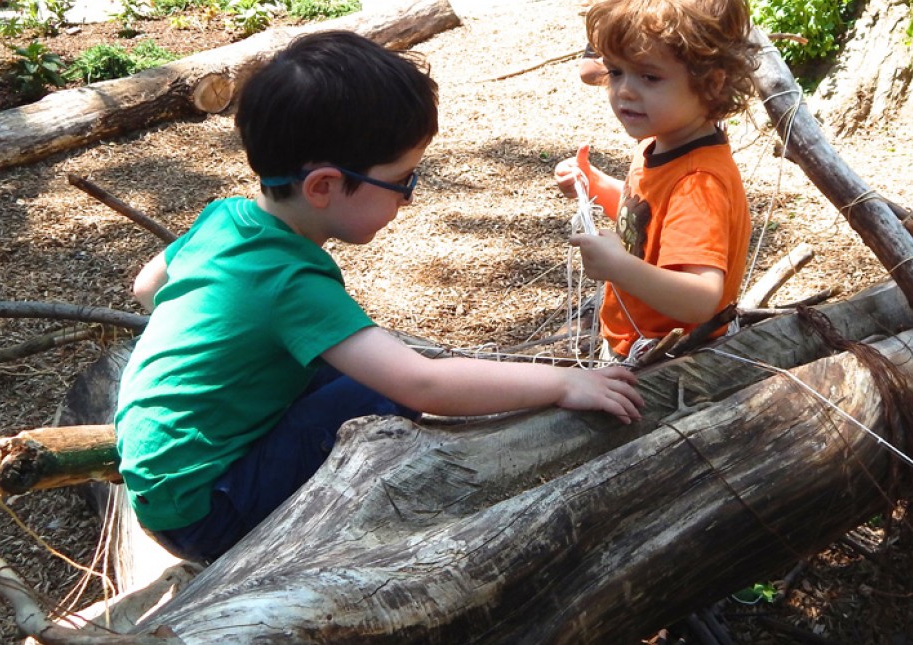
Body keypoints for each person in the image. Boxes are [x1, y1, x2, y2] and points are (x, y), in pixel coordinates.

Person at [115, 30, 644, 564]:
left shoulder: (224, 217)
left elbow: (146, 288)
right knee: (377, 397)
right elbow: (423, 383)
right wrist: (563, 381)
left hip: (161, 477)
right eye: (402, 181)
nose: (408, 197)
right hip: (209, 512)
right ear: (322, 186)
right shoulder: (291, 285)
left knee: (349, 367)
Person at [553, 0, 758, 362]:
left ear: (711, 84)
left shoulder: (699, 183)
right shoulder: (660, 142)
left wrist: (618, 266)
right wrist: (596, 184)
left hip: (668, 362)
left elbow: (700, 298)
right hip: (636, 344)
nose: (625, 91)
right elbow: (651, 218)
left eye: (649, 76)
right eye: (616, 72)